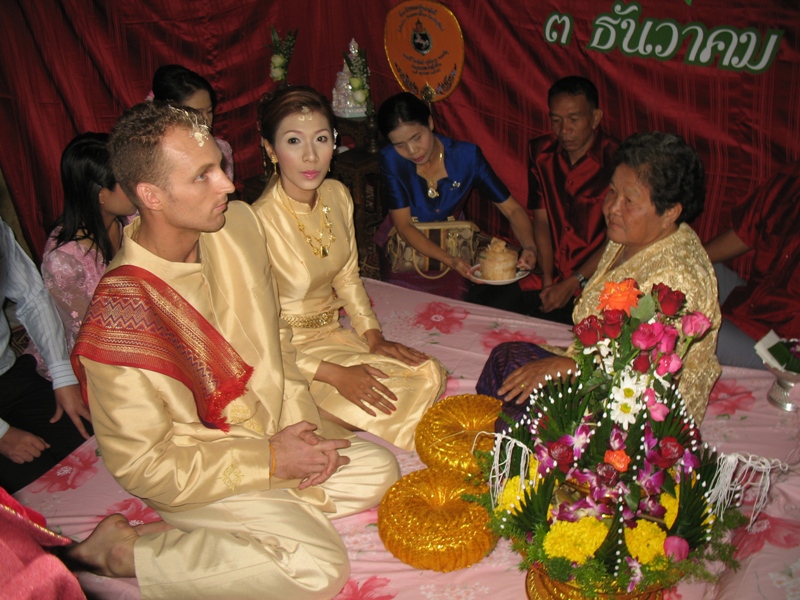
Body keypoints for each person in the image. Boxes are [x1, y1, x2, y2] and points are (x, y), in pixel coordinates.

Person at [71, 101, 399, 599]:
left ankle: (246, 523)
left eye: (219, 168)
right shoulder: (121, 320)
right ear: (151, 195)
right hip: (199, 469)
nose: (227, 183)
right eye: (203, 176)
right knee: (318, 568)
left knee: (379, 472)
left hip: (269, 435)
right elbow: (145, 466)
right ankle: (125, 554)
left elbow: (277, 345)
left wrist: (295, 431)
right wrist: (269, 460)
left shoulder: (237, 227)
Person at [479, 132, 721, 425]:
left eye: (629, 200)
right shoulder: (637, 234)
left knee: (522, 424)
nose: (612, 208)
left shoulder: (676, 281)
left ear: (670, 212)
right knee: (506, 361)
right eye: (612, 193)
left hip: (636, 413)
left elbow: (642, 376)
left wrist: (566, 367)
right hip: (594, 370)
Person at [253, 86, 446, 452]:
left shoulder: (337, 195)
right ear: (270, 149)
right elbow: (257, 336)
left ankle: (323, 417)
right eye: (294, 140)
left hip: (334, 339)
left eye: (321, 139)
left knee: (427, 372)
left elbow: (347, 276)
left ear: (334, 142)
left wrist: (373, 337)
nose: (311, 156)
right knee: (398, 396)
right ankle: (305, 411)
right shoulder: (256, 224)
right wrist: (335, 375)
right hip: (289, 357)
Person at [376, 91, 537, 299]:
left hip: (452, 242)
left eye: (417, 138)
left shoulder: (467, 158)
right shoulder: (391, 160)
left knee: (455, 303)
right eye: (400, 145)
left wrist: (530, 247)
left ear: (430, 123)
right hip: (405, 248)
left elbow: (512, 209)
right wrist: (449, 260)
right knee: (399, 301)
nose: (413, 150)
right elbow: (404, 226)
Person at [29, 133, 136, 375]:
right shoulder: (64, 262)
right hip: (91, 359)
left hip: (135, 331)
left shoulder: (131, 219)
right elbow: (88, 338)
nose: (138, 187)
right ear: (101, 194)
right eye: (126, 182)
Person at [0, 218, 91, 493]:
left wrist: (63, 379)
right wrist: (2, 435)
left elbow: (31, 296)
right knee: (37, 490)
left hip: (7, 373)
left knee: (90, 447)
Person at [522, 75, 620, 324]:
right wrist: (546, 279)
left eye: (574, 120)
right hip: (547, 273)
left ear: (596, 118)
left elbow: (618, 239)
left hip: (597, 280)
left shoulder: (618, 161)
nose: (563, 131)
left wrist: (573, 282)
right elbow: (541, 220)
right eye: (556, 120)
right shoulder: (541, 153)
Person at [704, 161, 800, 369]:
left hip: (783, 347)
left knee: (691, 333)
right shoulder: (790, 177)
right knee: (670, 273)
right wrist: (681, 258)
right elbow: (743, 235)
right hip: (750, 301)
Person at [151, 64, 235, 182]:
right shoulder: (153, 157)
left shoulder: (221, 149)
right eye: (197, 113)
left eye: (209, 111)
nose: (206, 120)